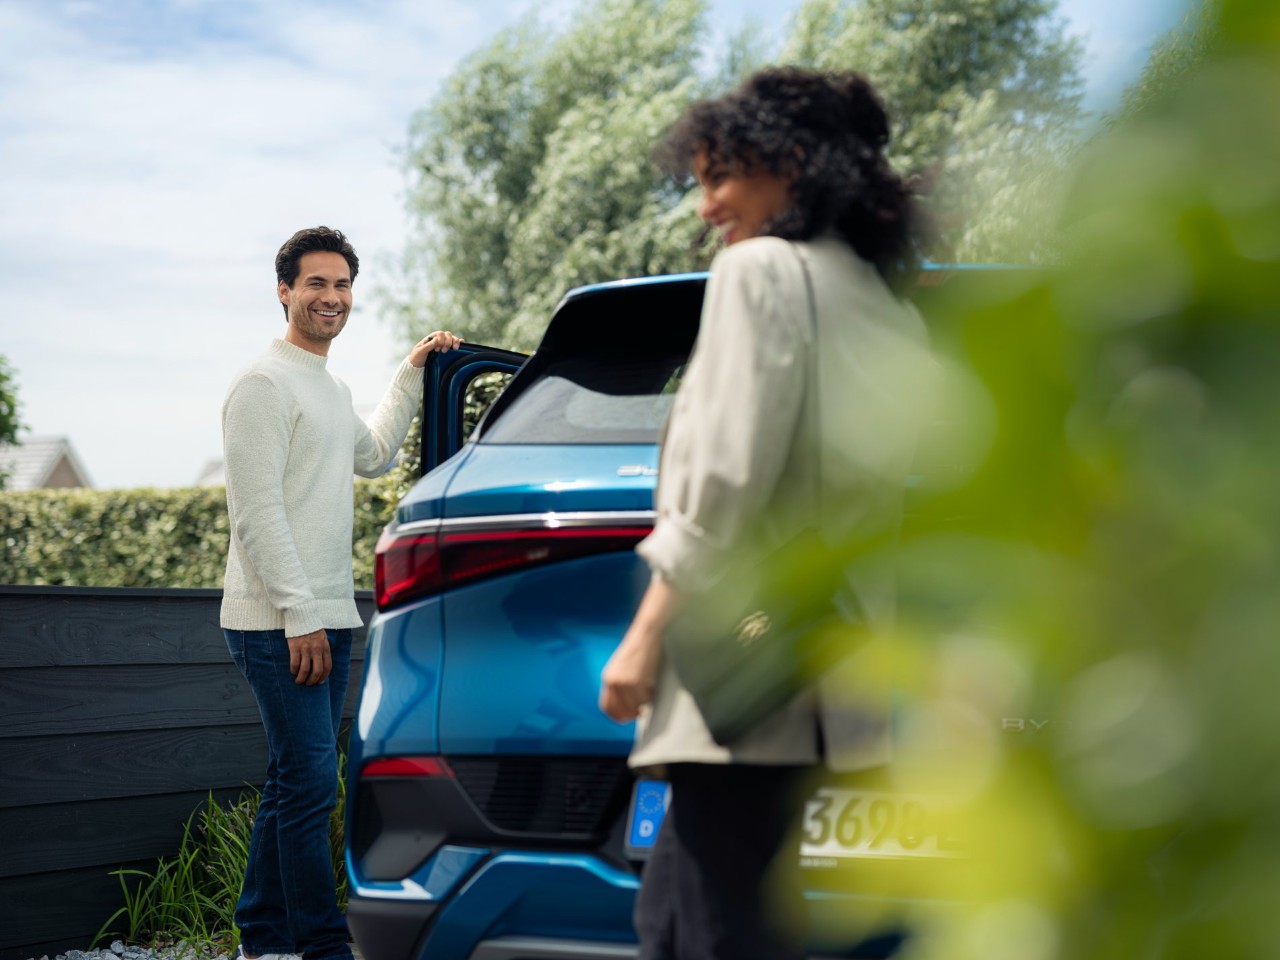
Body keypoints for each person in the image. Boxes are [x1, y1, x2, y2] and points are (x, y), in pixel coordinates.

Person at [599, 68, 931, 959]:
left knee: (709, 932)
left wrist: (644, 638)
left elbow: (722, 484)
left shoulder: (759, 272)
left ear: (789, 163)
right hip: (827, 669)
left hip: (739, 667)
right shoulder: (885, 304)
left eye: (718, 179)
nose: (706, 208)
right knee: (673, 922)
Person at [221, 226, 461, 960]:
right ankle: (322, 946)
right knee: (309, 788)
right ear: (285, 291)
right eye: (316, 284)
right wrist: (299, 618)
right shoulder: (262, 387)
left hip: (328, 615)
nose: (332, 297)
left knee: (295, 782)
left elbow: (376, 452)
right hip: (280, 622)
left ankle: (262, 936)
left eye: (343, 284)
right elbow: (257, 516)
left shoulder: (327, 386)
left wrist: (414, 371)